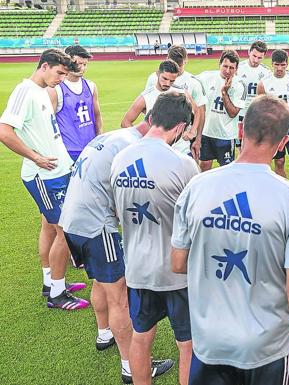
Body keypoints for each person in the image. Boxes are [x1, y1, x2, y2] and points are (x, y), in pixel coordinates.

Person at [170, 95, 289, 384]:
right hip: (266, 346)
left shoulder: (197, 187)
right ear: (282, 144)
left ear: (241, 131)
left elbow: (178, 263)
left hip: (209, 341)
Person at [59, 112, 174, 383]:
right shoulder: (132, 148)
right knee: (120, 295)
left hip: (72, 221)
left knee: (102, 282)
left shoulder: (113, 136)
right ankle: (130, 366)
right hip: (97, 227)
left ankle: (104, 333)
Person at [110, 93, 198, 385]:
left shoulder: (120, 157)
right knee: (187, 344)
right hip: (177, 273)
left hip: (136, 267)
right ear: (180, 128)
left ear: (152, 118)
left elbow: (115, 210)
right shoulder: (183, 164)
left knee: (141, 336)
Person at [0, 49, 86, 308]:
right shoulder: (24, 91)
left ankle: (52, 282)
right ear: (45, 66)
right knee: (64, 230)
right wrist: (35, 157)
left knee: (52, 228)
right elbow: (4, 131)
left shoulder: (41, 92)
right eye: (59, 72)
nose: (62, 78)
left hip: (58, 172)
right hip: (44, 176)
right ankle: (57, 295)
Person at [143, 45, 207, 158]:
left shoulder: (193, 82)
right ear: (167, 58)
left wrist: (197, 137)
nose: (177, 67)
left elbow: (200, 111)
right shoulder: (154, 78)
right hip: (157, 142)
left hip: (182, 145)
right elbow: (146, 103)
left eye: (180, 64)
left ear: (186, 60)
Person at [257, 49, 289, 188]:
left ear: (287, 64)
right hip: (274, 130)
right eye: (276, 64)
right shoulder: (263, 84)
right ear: (272, 64)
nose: (279, 68)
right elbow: (262, 106)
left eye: (282, 65)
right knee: (279, 162)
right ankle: (283, 193)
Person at [193, 50, 246, 171]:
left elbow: (233, 113)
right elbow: (188, 86)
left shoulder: (239, 85)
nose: (228, 71)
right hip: (206, 133)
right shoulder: (205, 77)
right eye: (225, 66)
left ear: (237, 69)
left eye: (232, 68)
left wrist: (224, 93)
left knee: (227, 170)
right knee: (204, 167)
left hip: (226, 136)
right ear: (219, 64)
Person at [49, 45, 102, 162]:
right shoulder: (56, 89)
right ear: (68, 62)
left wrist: (99, 139)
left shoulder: (91, 86)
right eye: (78, 63)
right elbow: (49, 122)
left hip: (90, 148)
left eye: (85, 64)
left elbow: (97, 115)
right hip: (68, 151)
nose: (82, 68)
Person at [121, 59, 181, 129]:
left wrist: (191, 132)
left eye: (172, 81)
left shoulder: (180, 93)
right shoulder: (145, 97)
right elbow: (125, 122)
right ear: (158, 73)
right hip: (155, 139)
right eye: (164, 78)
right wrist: (142, 138)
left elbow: (195, 112)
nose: (167, 84)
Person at [237, 41, 271, 150]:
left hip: (257, 116)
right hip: (240, 115)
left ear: (264, 57)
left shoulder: (266, 72)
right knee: (240, 149)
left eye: (259, 58)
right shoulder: (238, 68)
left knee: (256, 147)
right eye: (254, 56)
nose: (256, 60)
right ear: (249, 52)